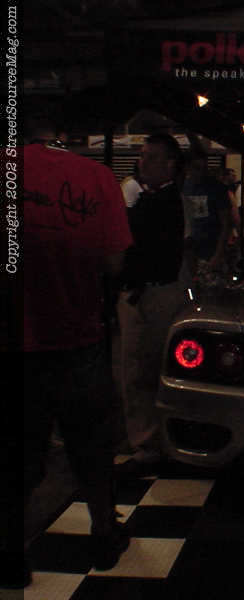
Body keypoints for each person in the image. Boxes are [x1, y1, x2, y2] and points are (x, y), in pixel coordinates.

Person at [11, 118, 134, 587]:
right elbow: (115, 260)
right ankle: (103, 535)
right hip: (77, 336)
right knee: (91, 447)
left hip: (13, 341)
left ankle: (10, 553)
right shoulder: (97, 177)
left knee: (18, 454)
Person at [115, 133, 187, 476]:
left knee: (141, 370)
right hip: (150, 290)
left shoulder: (165, 200)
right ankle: (151, 439)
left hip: (153, 292)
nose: (142, 162)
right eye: (142, 156)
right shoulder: (154, 197)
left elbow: (140, 243)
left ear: (169, 164)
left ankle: (148, 444)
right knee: (140, 369)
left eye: (150, 157)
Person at [182, 149, 232, 273]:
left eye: (203, 168)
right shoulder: (184, 187)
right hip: (189, 251)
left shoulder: (216, 188)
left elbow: (226, 223)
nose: (200, 172)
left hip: (211, 249)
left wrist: (218, 255)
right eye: (196, 168)